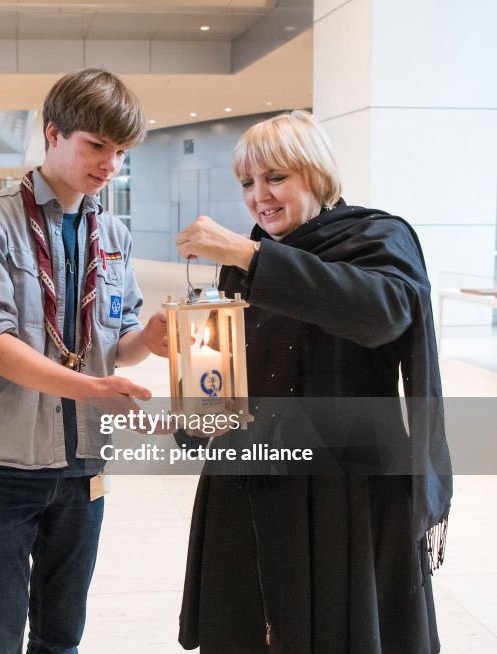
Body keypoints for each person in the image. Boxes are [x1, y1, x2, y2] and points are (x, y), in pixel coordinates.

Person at [173, 109, 451, 653]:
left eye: (275, 178)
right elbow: (232, 377)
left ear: (317, 174)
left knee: (342, 629)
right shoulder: (251, 259)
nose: (259, 196)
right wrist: (195, 393)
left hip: (346, 485)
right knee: (249, 627)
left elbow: (381, 314)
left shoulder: (376, 237)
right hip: (253, 478)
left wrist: (250, 255)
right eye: (248, 183)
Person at [0, 67, 165, 653]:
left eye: (120, 152)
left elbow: (114, 341)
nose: (109, 164)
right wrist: (89, 388)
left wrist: (153, 337)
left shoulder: (113, 232)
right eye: (96, 145)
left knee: (62, 634)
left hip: (84, 466)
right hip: (1, 464)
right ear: (52, 133)